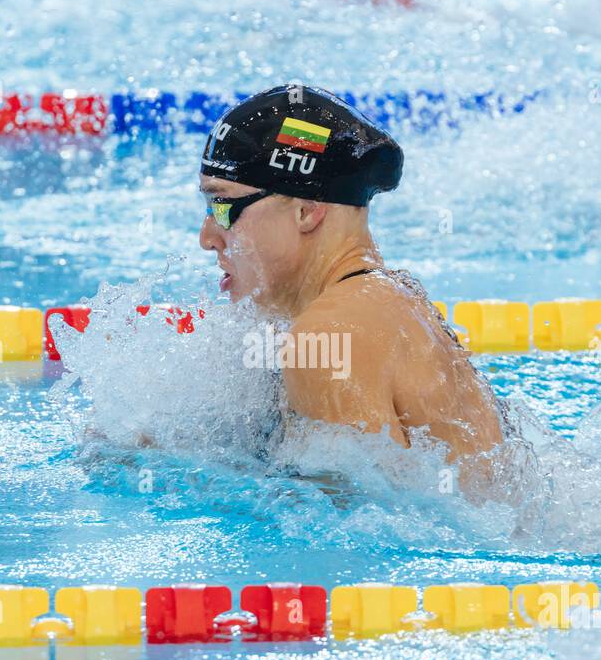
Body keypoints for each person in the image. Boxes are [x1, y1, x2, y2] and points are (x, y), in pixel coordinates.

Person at [198, 84, 518, 485]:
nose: (207, 236)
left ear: (305, 211)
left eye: (222, 206)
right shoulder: (392, 298)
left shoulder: (327, 335)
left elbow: (356, 533)